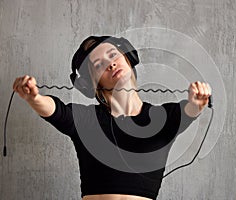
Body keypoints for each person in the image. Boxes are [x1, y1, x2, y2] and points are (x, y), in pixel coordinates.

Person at [13, 36, 212, 200]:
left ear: (128, 58)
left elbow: (190, 110)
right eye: (99, 64)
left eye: (113, 55)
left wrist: (198, 101)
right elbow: (55, 110)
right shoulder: (87, 120)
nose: (111, 64)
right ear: (90, 83)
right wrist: (34, 97)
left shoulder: (164, 118)